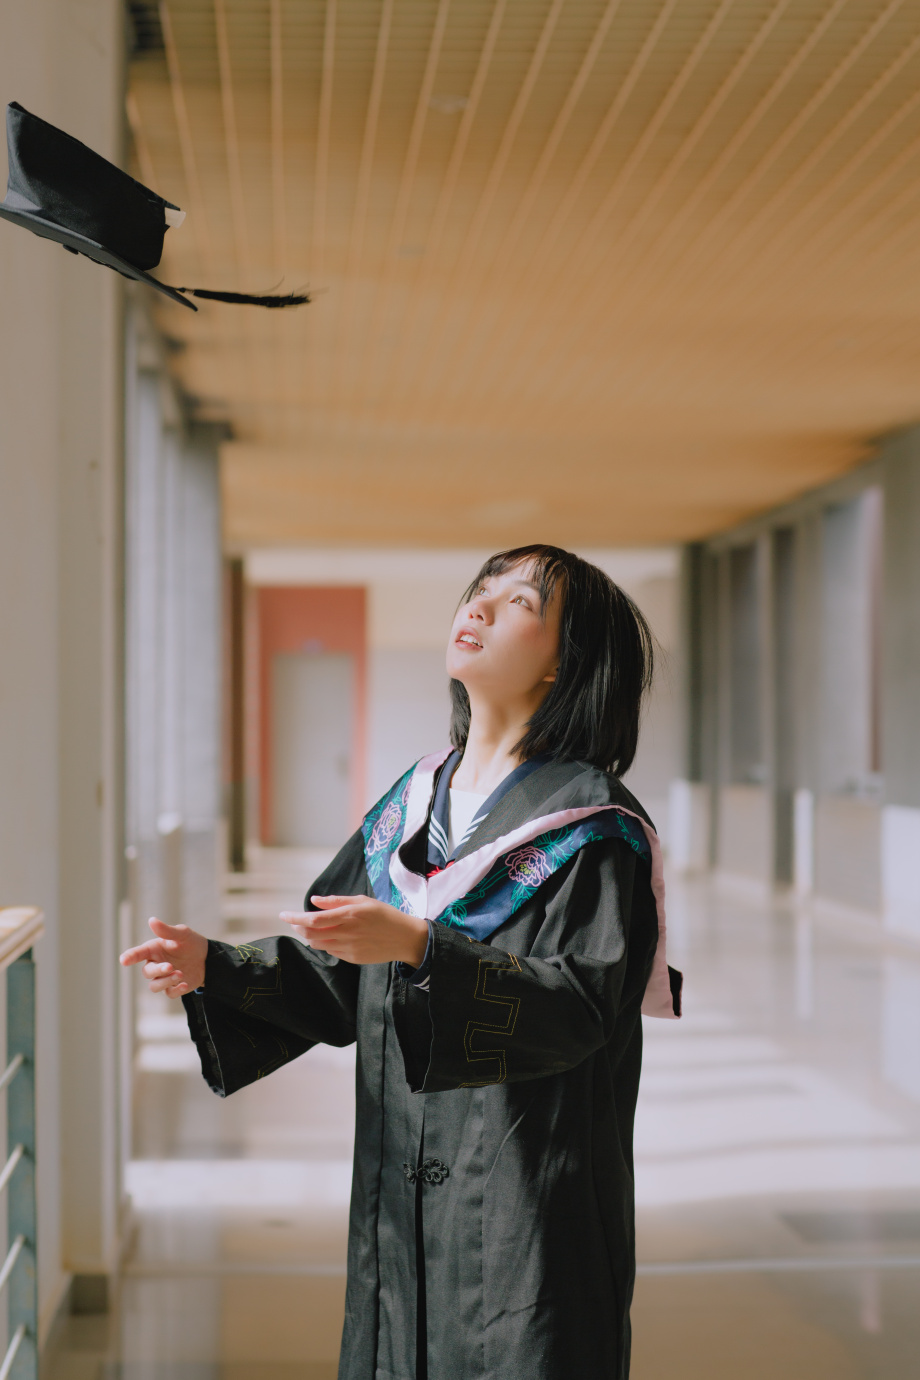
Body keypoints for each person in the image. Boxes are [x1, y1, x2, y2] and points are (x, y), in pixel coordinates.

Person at [121, 544, 681, 1380]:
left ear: (568, 661)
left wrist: (422, 948)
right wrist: (220, 966)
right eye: (479, 589)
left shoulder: (592, 829)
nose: (481, 606)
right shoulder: (414, 803)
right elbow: (343, 973)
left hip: (527, 1205)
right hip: (399, 1197)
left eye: (520, 599)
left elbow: (581, 1008)